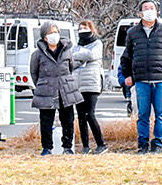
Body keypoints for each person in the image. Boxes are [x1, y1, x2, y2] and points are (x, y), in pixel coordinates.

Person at [120, 0, 162, 154]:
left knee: (161, 113)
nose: (149, 11)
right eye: (146, 8)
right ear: (140, 13)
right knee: (143, 114)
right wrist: (128, 75)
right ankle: (143, 144)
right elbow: (127, 56)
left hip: (161, 80)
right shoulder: (132, 33)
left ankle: (158, 144)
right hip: (141, 80)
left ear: (157, 11)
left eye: (151, 8)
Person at [29, 21, 82, 155]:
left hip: (65, 88)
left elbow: (70, 68)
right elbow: (34, 73)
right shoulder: (37, 54)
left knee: (68, 119)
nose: (54, 35)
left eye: (56, 32)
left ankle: (67, 147)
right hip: (46, 89)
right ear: (44, 37)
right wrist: (43, 84)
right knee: (46, 120)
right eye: (50, 33)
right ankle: (47, 148)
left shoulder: (67, 51)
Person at [71, 20, 108, 154]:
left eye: (85, 27)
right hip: (78, 84)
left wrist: (77, 57)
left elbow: (91, 55)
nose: (82, 30)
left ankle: (101, 144)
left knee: (90, 114)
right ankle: (85, 146)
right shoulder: (76, 46)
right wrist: (78, 57)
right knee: (80, 116)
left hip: (91, 83)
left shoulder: (97, 43)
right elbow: (72, 62)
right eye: (80, 28)